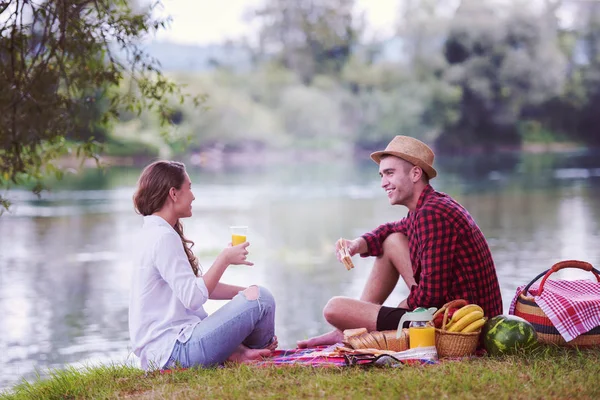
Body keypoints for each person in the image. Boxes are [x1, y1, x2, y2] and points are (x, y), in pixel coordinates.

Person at [297, 136, 502, 348]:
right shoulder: (425, 208)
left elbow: (430, 297)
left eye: (390, 173)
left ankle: (351, 330)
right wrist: (357, 244)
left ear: (415, 173)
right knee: (392, 241)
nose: (383, 183)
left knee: (334, 308)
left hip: (462, 325)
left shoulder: (433, 214)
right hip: (448, 310)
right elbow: (391, 230)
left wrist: (401, 310)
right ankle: (348, 331)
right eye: (381, 175)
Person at [129, 160, 277, 370]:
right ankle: (250, 351)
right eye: (189, 188)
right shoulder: (162, 237)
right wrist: (224, 259)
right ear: (173, 193)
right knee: (263, 300)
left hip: (169, 349)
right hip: (174, 351)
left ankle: (240, 352)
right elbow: (194, 297)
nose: (193, 196)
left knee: (259, 296)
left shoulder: (155, 232)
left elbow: (197, 287)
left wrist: (245, 294)